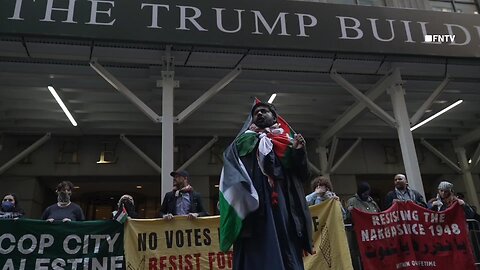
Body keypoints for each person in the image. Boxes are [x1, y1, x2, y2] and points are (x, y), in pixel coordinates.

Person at [219, 101, 312, 270]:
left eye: (264, 111)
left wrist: (299, 152)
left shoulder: (287, 142)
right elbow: (230, 167)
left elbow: (302, 174)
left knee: (286, 243)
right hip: (255, 207)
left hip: (283, 204)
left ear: (274, 117)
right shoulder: (241, 143)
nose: (259, 114)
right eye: (256, 113)